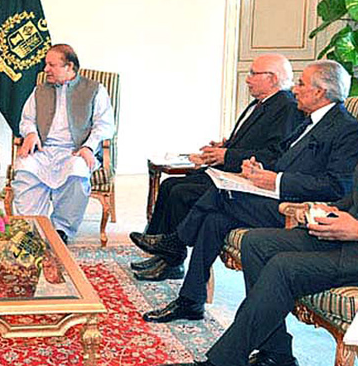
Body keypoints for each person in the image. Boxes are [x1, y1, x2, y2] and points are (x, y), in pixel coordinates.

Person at [139, 60, 358, 324]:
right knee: (213, 220)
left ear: (320, 92)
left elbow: (337, 186)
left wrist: (277, 180)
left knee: (221, 194)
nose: (295, 89)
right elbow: (282, 157)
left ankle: (176, 242)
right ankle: (191, 300)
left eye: (301, 83)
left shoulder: (345, 128)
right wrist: (257, 170)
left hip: (298, 210)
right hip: (275, 197)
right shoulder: (309, 121)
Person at [160, 164, 358, 366]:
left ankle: (223, 362)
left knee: (284, 267)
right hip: (346, 235)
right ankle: (276, 354)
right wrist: (335, 209)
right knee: (257, 243)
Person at [130, 54, 304, 281]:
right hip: (230, 168)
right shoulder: (262, 102)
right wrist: (225, 146)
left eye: (253, 73)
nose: (247, 79)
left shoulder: (286, 107)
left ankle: (171, 258)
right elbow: (254, 141)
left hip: (244, 178)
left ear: (272, 78)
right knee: (170, 185)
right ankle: (164, 254)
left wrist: (227, 155)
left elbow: (274, 154)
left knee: (181, 192)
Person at [11, 44, 115, 242]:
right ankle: (32, 226)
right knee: (25, 167)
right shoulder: (39, 91)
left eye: (52, 65)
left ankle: (62, 230)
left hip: (75, 151)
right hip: (44, 149)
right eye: (46, 64)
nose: (45, 70)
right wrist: (31, 134)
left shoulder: (94, 90)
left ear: (69, 67)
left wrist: (88, 147)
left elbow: (105, 125)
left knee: (77, 171)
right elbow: (27, 119)